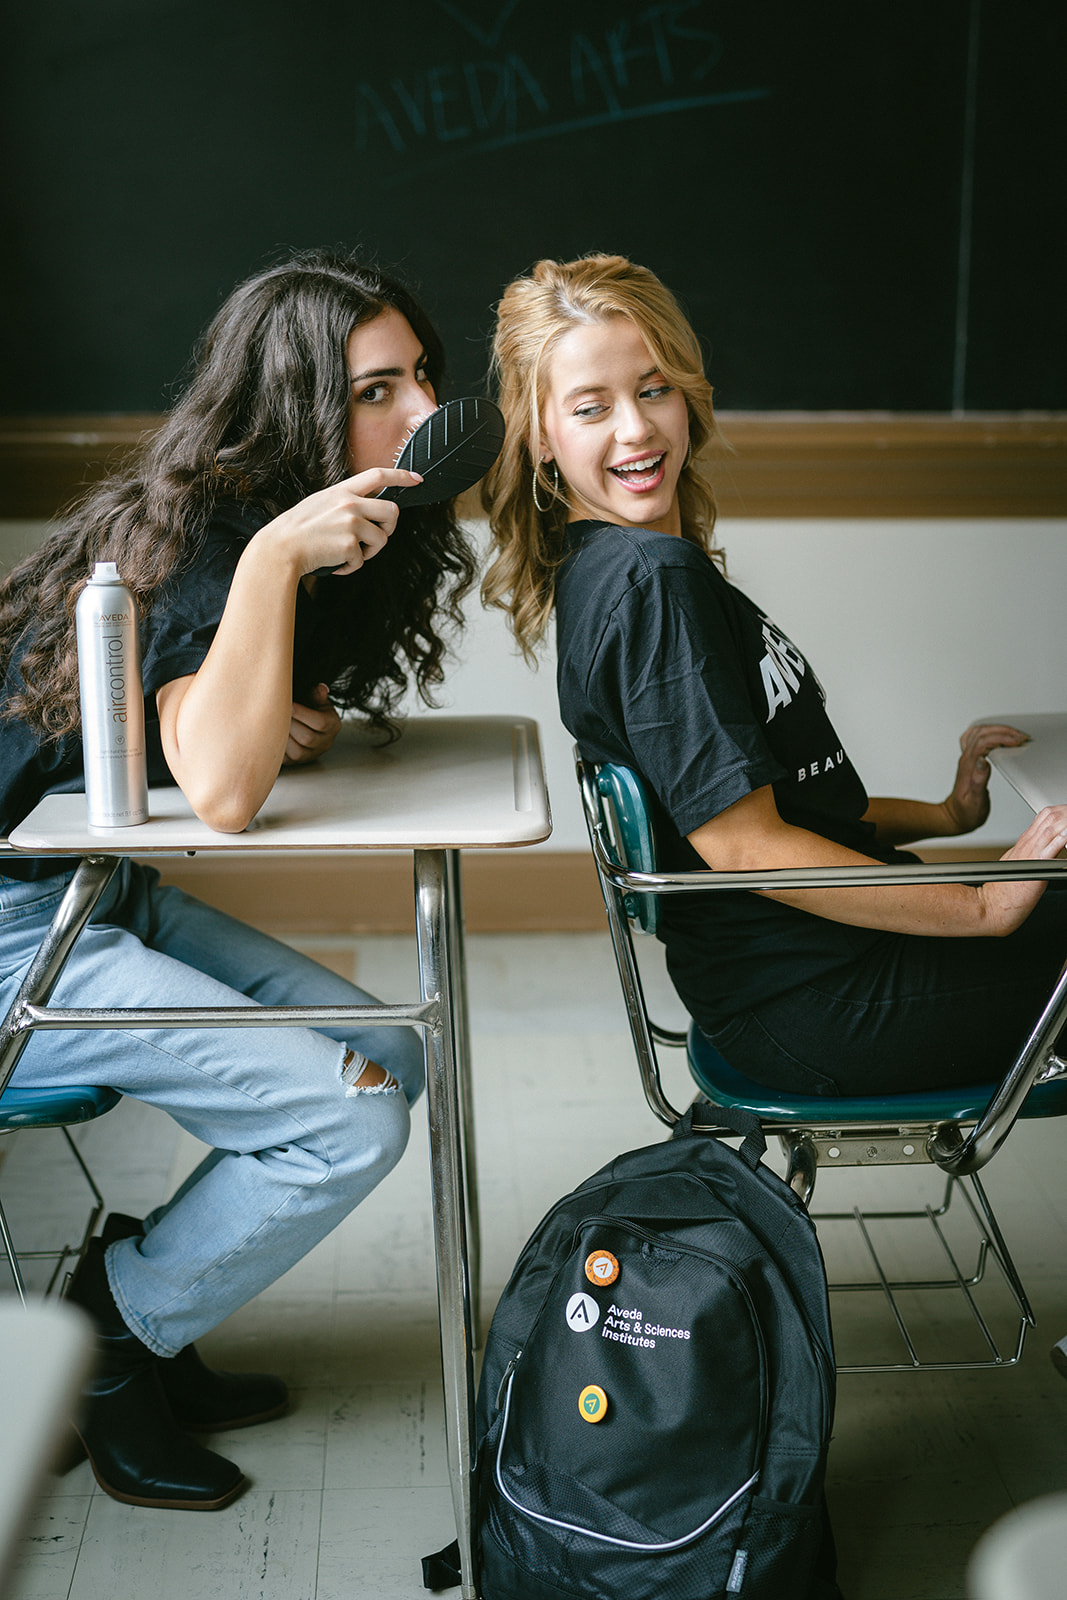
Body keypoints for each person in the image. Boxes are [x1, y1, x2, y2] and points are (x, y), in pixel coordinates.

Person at [0, 250, 476, 1509]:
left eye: (421, 375)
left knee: (392, 1050)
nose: (423, 411)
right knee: (351, 1117)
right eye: (378, 390)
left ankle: (147, 1300)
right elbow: (220, 793)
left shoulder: (263, 515)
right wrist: (269, 567)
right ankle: (113, 1339)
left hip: (85, 894)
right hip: (9, 936)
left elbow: (199, 735)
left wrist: (266, 711)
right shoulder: (222, 536)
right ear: (297, 408)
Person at [481, 252, 1067, 1101]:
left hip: (800, 985)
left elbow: (787, 808)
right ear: (541, 436)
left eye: (653, 389)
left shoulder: (610, 566)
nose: (635, 429)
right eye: (590, 407)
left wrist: (947, 817)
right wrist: (981, 908)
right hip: (818, 1003)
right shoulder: (652, 583)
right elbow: (743, 846)